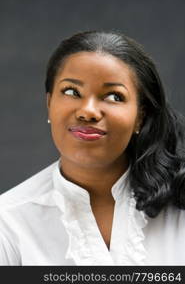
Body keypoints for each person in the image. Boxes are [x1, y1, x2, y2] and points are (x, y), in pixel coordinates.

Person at [0, 31, 185, 266]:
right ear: (49, 104)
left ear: (140, 116)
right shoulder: (8, 222)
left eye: (114, 96)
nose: (88, 111)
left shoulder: (180, 205)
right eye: (71, 92)